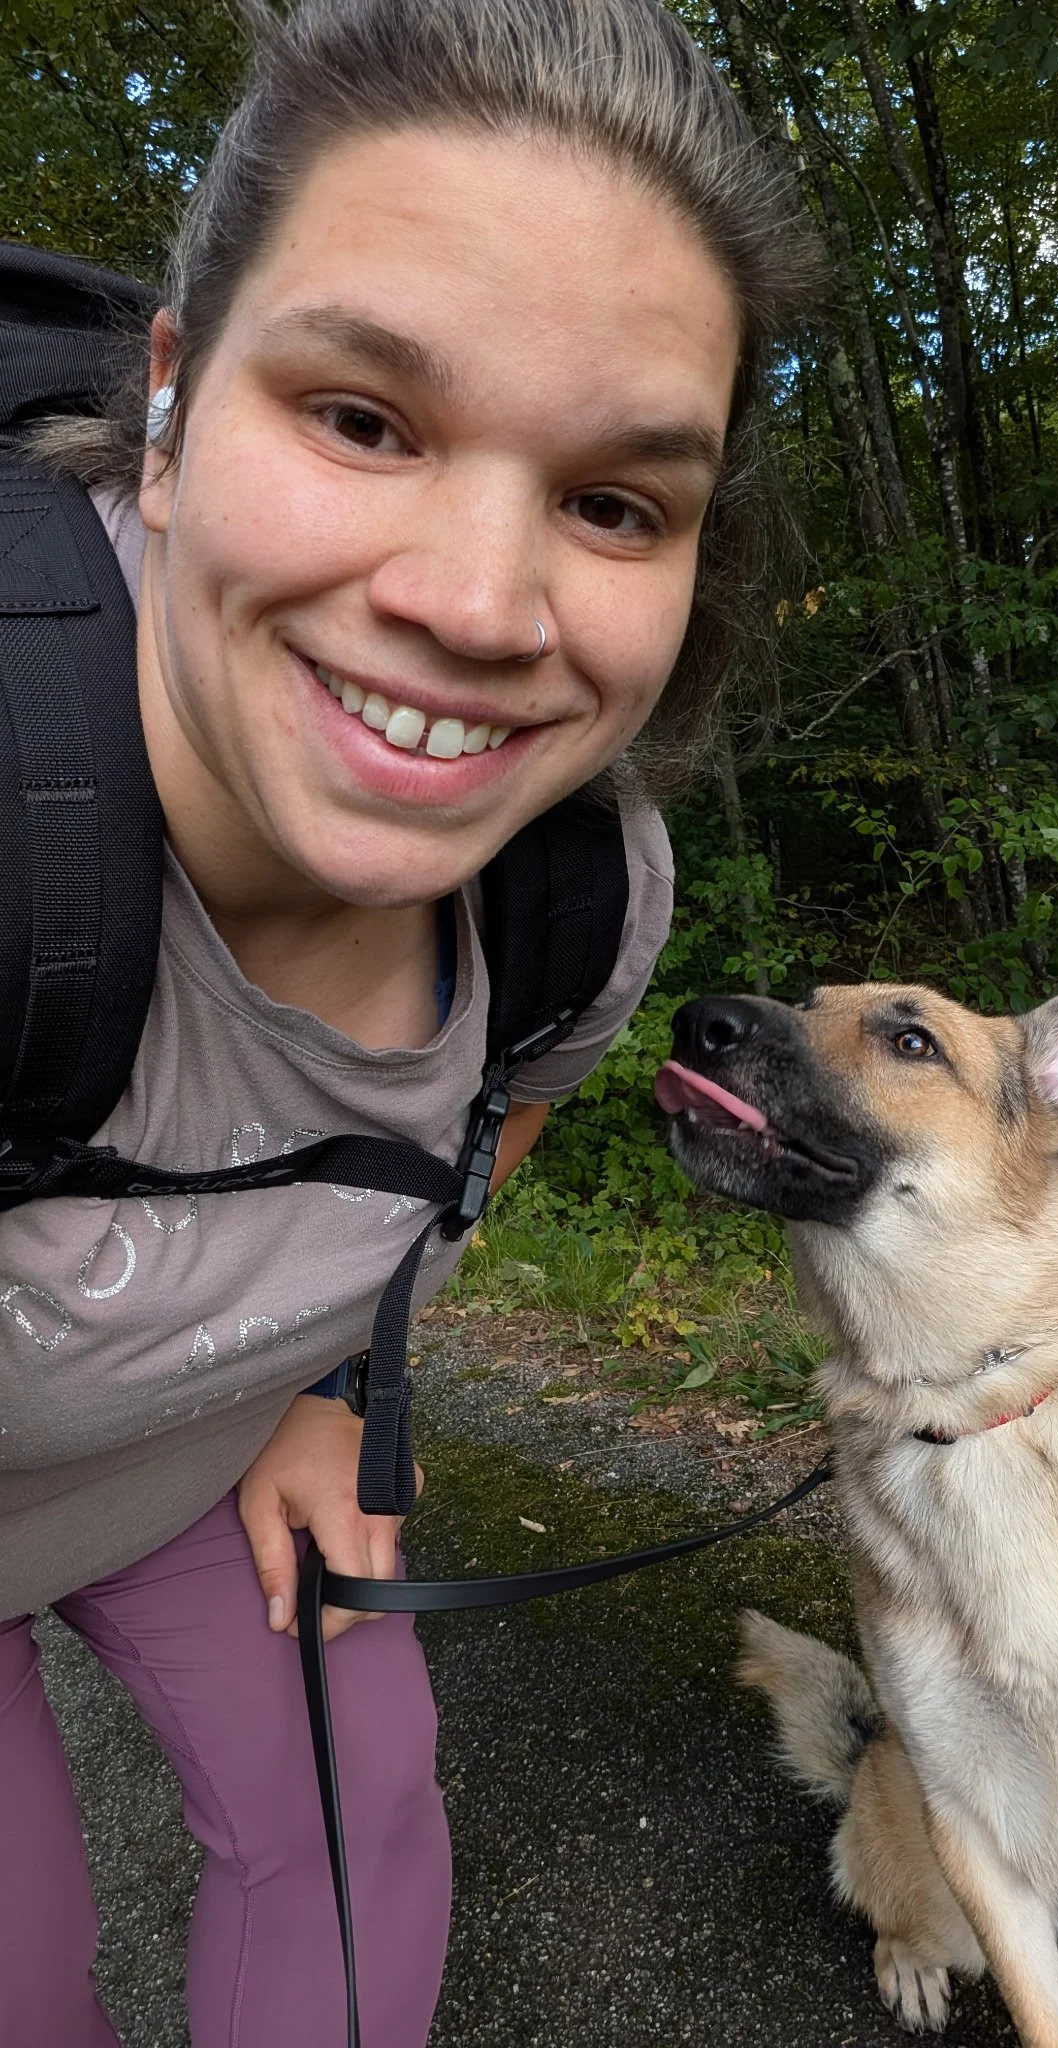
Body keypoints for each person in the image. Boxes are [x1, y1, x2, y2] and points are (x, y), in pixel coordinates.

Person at [0, 2, 815, 2041]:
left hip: (192, 1467)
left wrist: (338, 1386)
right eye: (365, 416)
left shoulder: (572, 898)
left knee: (359, 1848)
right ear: (172, 408)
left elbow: (483, 1125)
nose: (479, 600)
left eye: (616, 502)